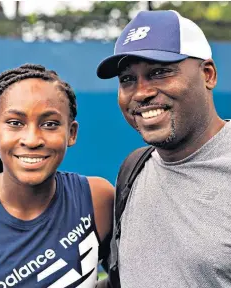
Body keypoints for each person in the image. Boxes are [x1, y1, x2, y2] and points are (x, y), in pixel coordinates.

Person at [96, 10, 231, 288]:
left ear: (208, 74)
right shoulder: (133, 169)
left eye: (159, 72)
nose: (141, 92)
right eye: (127, 79)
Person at [0, 64, 114, 287]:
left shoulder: (97, 199)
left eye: (49, 124)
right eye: (15, 123)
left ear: (71, 133)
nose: (32, 139)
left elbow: (128, 277)